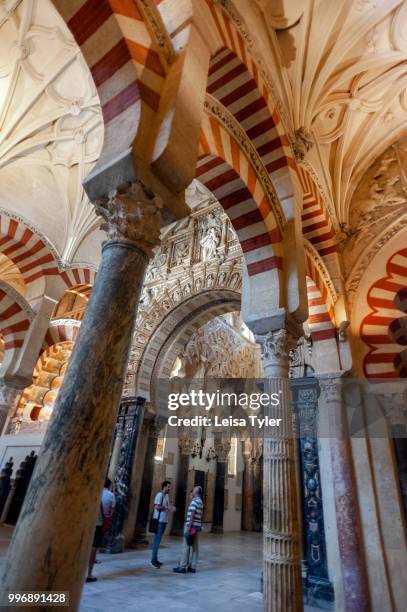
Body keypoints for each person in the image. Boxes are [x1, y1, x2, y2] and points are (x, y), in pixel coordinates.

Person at [86, 477, 116, 583]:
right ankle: (89, 574)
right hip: (99, 524)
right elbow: (111, 512)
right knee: (93, 549)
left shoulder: (92, 491)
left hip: (87, 523)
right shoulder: (111, 495)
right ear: (109, 485)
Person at [173, 485, 204, 574]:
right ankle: (193, 567)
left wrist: (189, 527)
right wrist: (199, 525)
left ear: (196, 492)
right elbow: (201, 515)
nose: (192, 492)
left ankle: (182, 567)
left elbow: (192, 515)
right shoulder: (200, 501)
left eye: (193, 490)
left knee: (186, 546)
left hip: (191, 526)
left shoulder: (194, 501)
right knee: (195, 547)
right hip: (196, 527)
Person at [151, 480, 175, 568]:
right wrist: (167, 507)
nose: (169, 488)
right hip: (159, 521)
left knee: (158, 540)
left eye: (170, 487)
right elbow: (156, 507)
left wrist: (170, 508)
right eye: (168, 486)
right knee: (157, 541)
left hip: (164, 520)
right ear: (164, 487)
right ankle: (153, 561)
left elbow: (166, 507)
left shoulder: (167, 496)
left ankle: (155, 559)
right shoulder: (159, 495)